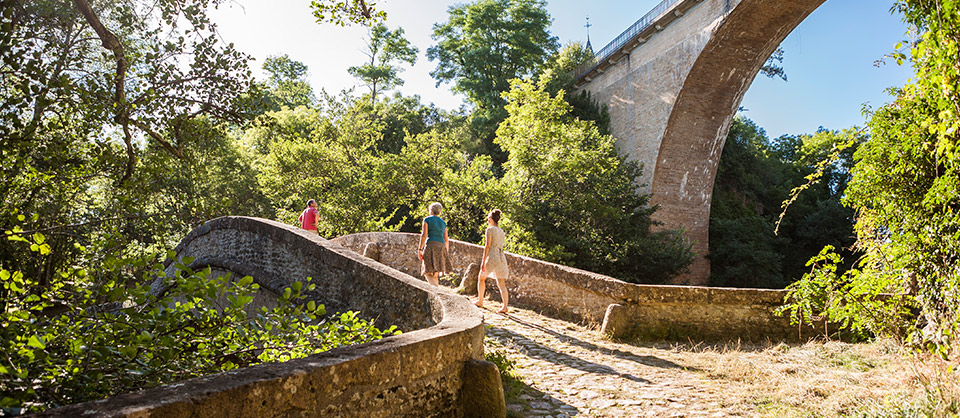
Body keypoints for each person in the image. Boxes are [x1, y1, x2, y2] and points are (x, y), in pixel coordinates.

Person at [475, 209, 509, 314]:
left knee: (481, 277)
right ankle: (505, 306)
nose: (487, 220)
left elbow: (488, 246)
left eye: (488, 218)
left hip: (493, 256)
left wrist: (483, 261)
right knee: (501, 283)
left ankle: (480, 300)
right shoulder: (501, 231)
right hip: (501, 256)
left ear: (491, 219)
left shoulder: (490, 230)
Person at [417, 202, 451, 286]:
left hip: (431, 245)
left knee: (427, 271)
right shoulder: (443, 223)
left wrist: (420, 249)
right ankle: (437, 292)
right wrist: (445, 253)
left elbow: (424, 235)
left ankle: (436, 291)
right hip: (442, 247)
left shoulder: (427, 220)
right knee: (435, 273)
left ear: (431, 210)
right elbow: (446, 239)